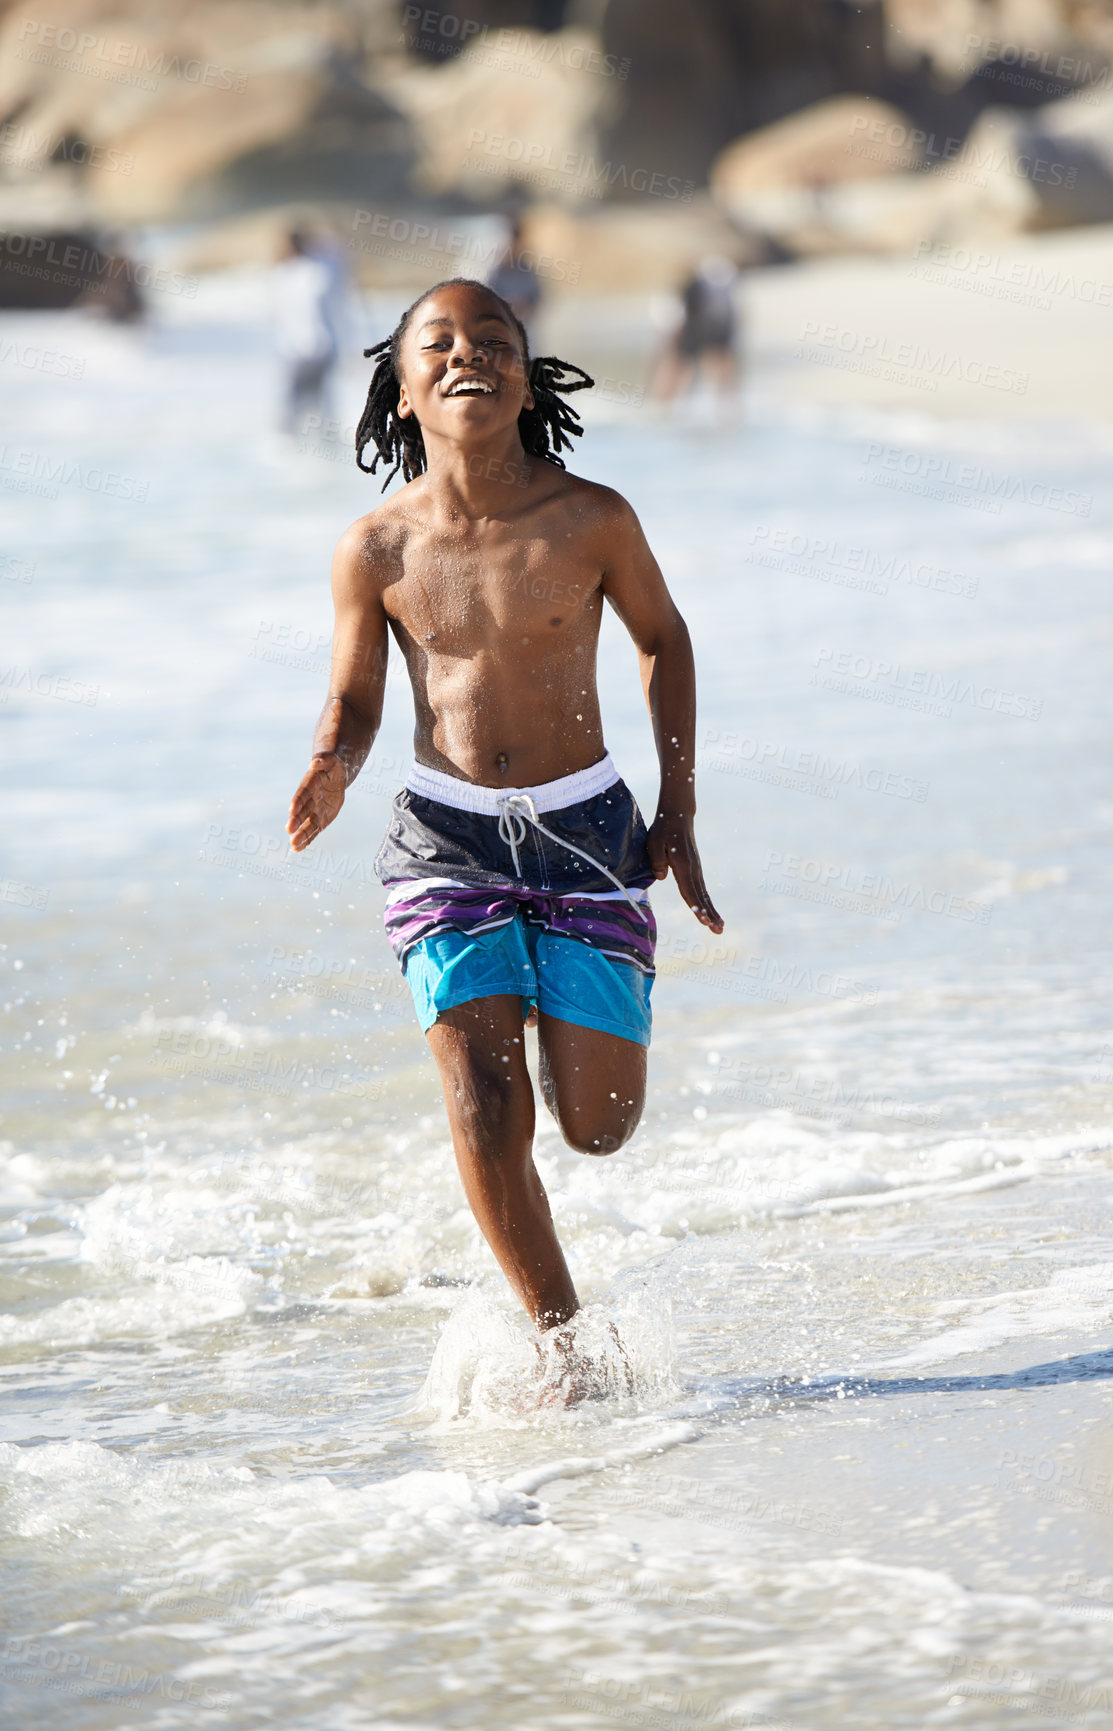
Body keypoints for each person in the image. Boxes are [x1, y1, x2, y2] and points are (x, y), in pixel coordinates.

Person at [285, 277, 722, 1369]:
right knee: (481, 1093)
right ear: (400, 391)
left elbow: (664, 642)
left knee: (599, 1125)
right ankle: (566, 1347)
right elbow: (359, 696)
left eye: (494, 340)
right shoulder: (375, 548)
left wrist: (678, 807)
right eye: (439, 344)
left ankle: (534, 1013)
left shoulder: (592, 519)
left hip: (588, 834)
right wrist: (332, 763)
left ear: (528, 380)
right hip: (447, 839)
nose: (466, 354)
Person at [270, 228, 340, 435]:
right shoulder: (316, 271)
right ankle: (323, 447)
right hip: (316, 348)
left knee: (297, 405)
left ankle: (296, 447)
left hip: (305, 348)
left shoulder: (289, 274)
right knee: (317, 404)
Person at [652, 254, 739, 406]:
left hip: (698, 330)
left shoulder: (693, 287)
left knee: (680, 368)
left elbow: (677, 316)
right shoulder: (715, 286)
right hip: (713, 329)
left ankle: (666, 403)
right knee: (712, 370)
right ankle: (725, 406)